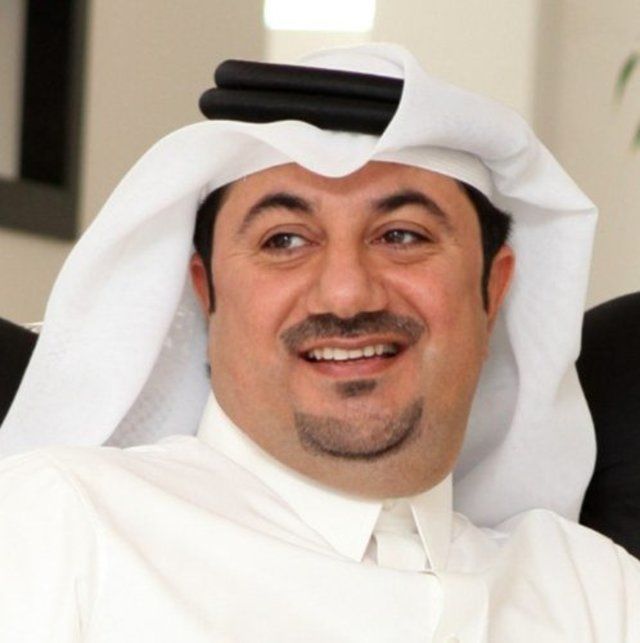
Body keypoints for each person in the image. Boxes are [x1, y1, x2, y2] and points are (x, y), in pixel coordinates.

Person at [0, 43, 638, 641]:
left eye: (403, 236)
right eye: (284, 240)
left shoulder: (594, 589)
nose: (347, 295)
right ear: (206, 291)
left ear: (492, 291)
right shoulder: (61, 527)